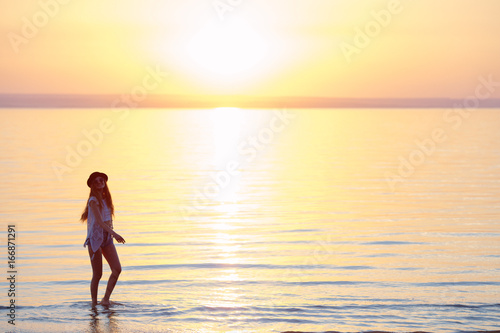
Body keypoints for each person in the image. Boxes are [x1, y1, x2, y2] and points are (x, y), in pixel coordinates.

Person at [81, 171, 125, 307]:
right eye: (97, 181)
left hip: (106, 238)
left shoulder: (107, 199)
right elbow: (99, 222)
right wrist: (116, 234)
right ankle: (94, 304)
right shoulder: (93, 201)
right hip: (95, 239)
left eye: (102, 180)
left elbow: (108, 220)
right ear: (93, 185)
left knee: (117, 269)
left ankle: (105, 299)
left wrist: (111, 235)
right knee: (97, 274)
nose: (100, 182)